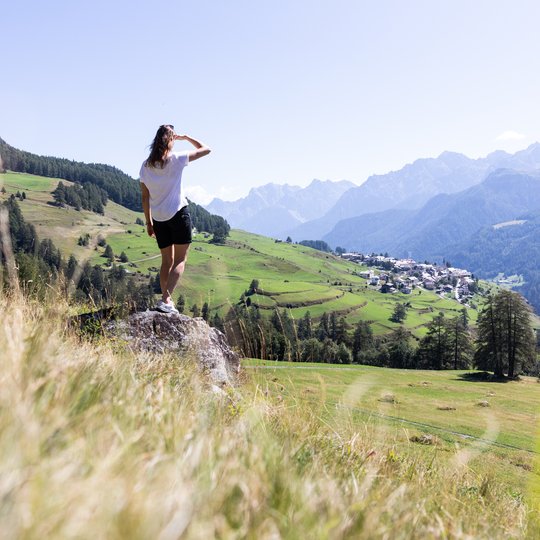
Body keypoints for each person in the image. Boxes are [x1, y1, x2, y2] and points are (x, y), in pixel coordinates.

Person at [139, 124, 211, 313]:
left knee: (166, 261)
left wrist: (149, 222)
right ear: (171, 140)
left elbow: (145, 197)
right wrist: (186, 137)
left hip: (159, 218)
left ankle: (166, 301)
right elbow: (206, 149)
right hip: (178, 214)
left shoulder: (145, 167)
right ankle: (166, 299)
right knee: (180, 260)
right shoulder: (177, 159)